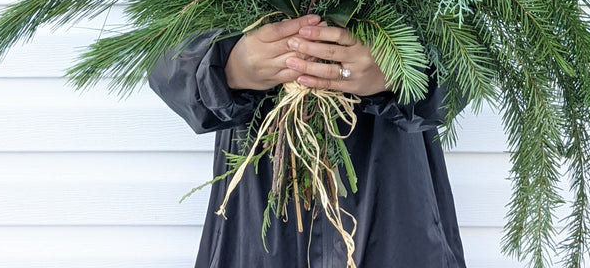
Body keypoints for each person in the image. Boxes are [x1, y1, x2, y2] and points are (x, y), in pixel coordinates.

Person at [149, 14, 468, 268]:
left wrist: (400, 68)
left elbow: (469, 61)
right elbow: (160, 55)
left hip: (395, 206)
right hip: (257, 211)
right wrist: (228, 66)